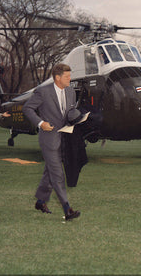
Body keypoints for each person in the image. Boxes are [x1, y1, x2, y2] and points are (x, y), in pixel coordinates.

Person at [23, 63, 81, 220]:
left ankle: (41, 201)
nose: (70, 79)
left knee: (50, 171)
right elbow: (27, 108)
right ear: (57, 77)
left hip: (65, 138)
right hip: (48, 140)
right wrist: (41, 123)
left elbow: (69, 113)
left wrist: (78, 117)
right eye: (67, 76)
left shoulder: (71, 92)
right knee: (57, 173)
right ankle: (67, 209)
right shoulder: (43, 91)